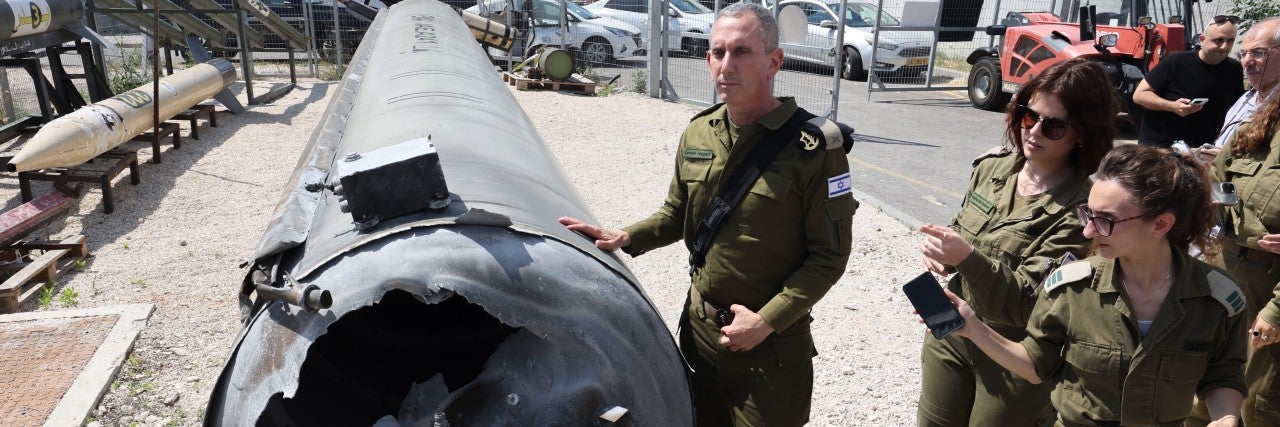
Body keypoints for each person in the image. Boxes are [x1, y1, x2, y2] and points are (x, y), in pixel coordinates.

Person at [558, 2, 856, 425]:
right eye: (718, 52)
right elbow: (677, 213)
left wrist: (767, 322)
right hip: (699, 334)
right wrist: (624, 236)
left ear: (774, 61)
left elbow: (829, 257)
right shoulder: (700, 131)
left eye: (741, 52)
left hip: (769, 352)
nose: (726, 65)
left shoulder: (813, 149)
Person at [935, 144, 1248, 427]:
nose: (1087, 231)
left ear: (1161, 224)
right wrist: (973, 327)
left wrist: (1225, 418)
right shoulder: (1070, 287)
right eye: (1087, 213)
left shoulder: (1217, 299)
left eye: (1105, 220)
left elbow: (1224, 372)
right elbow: (1034, 364)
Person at [915, 58, 1117, 426]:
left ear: (1082, 134)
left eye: (1054, 126)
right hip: (950, 332)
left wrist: (967, 257)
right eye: (1028, 116)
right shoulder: (992, 169)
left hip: (1014, 354)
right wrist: (943, 254)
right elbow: (966, 228)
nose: (1034, 131)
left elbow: (1030, 303)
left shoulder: (1084, 210)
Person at [1213, 61, 1280, 425]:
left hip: (1272, 293)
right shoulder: (1262, 123)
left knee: (1260, 404)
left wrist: (1276, 312)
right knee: (1212, 387)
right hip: (1230, 276)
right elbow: (1215, 176)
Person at [1134, 15, 1245, 147]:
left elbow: (1237, 107)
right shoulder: (1176, 62)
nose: (1224, 47)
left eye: (1230, 41)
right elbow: (1139, 95)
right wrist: (1173, 106)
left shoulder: (1234, 69)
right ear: (1202, 40)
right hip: (1161, 148)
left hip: (1203, 149)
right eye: (1218, 40)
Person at [1203, 17, 1280, 161]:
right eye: (1243, 54)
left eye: (1258, 52)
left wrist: (1228, 158)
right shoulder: (1247, 98)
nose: (1246, 62)